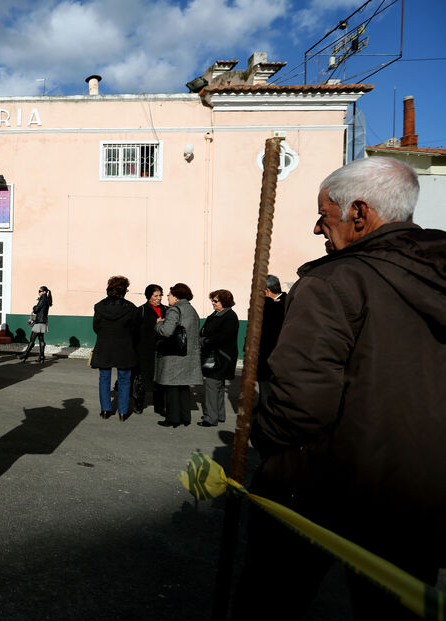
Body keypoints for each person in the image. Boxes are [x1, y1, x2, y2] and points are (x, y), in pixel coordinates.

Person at [236, 157, 446, 620]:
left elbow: (300, 401)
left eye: (324, 215)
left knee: (270, 603)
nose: (317, 229)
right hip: (420, 494)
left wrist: (262, 437)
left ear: (359, 213)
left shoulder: (334, 281)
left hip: (322, 483)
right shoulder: (435, 276)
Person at [91, 275, 139, 421]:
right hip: (124, 346)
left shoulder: (99, 306)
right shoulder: (130, 308)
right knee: (125, 379)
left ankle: (106, 410)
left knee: (104, 378)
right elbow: (134, 329)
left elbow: (96, 327)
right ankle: (123, 412)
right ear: (124, 290)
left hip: (105, 345)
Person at [154, 282, 201, 428]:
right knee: (183, 387)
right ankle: (185, 417)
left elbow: (167, 331)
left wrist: (158, 324)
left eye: (169, 295)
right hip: (188, 354)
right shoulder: (192, 310)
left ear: (176, 296)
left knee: (172, 387)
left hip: (174, 354)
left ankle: (172, 418)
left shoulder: (174, 310)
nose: (167, 298)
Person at [198, 289, 238, 427]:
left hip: (220, 357)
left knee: (212, 385)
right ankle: (219, 415)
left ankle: (210, 417)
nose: (213, 303)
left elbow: (223, 337)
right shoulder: (217, 314)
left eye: (215, 301)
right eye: (212, 301)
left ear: (224, 301)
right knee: (218, 386)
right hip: (216, 356)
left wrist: (204, 341)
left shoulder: (229, 316)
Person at [134, 284, 166, 415]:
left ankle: (159, 406)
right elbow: (135, 332)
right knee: (141, 379)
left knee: (160, 379)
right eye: (155, 296)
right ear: (149, 297)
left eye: (160, 295)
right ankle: (138, 404)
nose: (159, 298)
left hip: (161, 350)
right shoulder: (141, 310)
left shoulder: (167, 310)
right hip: (145, 350)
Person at [257, 274, 285, 404]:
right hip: (267, 357)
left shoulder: (281, 305)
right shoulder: (277, 303)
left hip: (273, 357)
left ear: (267, 291)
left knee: (269, 393)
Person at [20, 286, 52, 363]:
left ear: (44, 292)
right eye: (39, 291)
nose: (39, 292)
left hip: (39, 322)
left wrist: (34, 307)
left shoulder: (43, 299)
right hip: (43, 321)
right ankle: (41, 357)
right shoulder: (46, 299)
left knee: (32, 339)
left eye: (40, 291)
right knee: (41, 339)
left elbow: (36, 309)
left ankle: (25, 355)